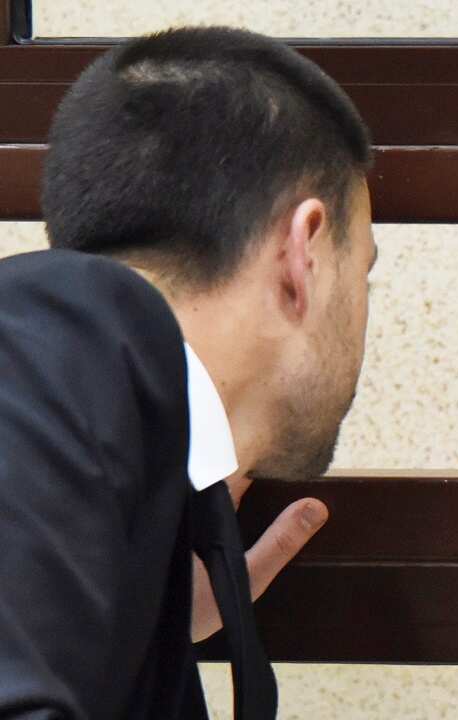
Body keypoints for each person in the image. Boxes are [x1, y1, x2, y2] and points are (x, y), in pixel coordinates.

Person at [0, 27, 376, 719]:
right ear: (305, 254)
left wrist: (139, 610)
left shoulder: (102, 411)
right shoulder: (48, 331)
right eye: (365, 274)